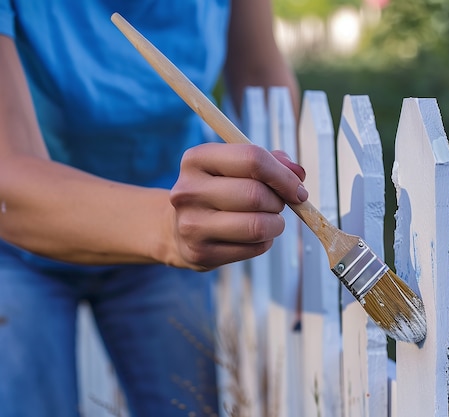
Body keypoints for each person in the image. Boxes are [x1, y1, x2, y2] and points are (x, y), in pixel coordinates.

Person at [0, 1, 306, 416]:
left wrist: (299, 243)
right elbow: (8, 181)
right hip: (23, 252)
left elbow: (258, 72)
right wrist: (169, 227)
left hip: (170, 226)